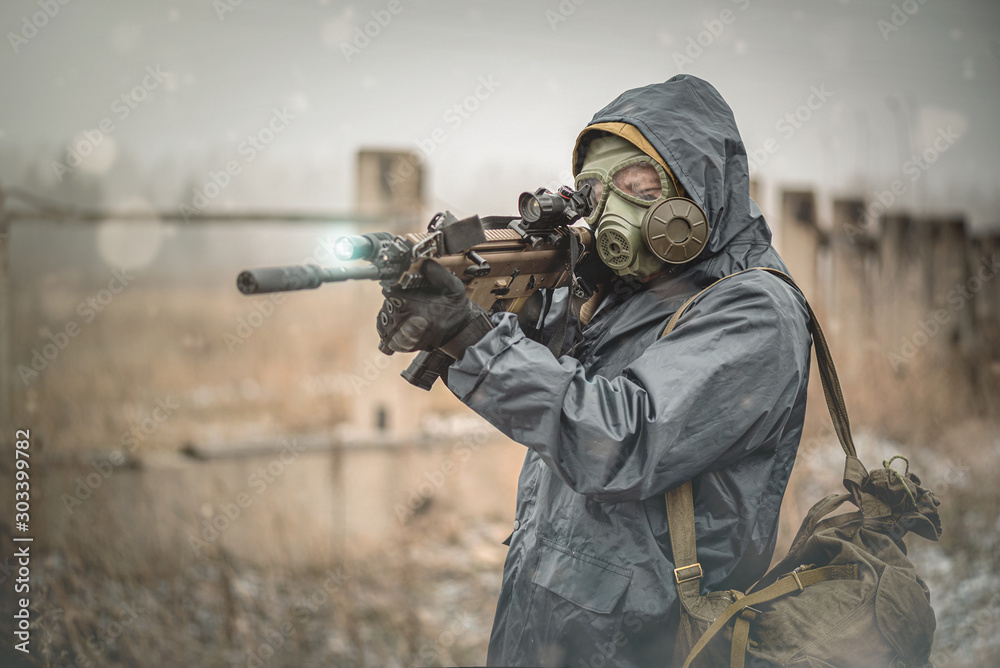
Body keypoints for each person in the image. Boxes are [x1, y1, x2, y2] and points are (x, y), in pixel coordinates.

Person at [376, 74, 812, 667]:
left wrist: (472, 339)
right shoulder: (623, 289)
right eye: (596, 191)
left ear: (698, 190)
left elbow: (622, 440)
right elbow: (544, 374)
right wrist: (459, 306)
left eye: (638, 186)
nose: (613, 210)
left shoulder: (754, 312)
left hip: (658, 643)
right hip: (550, 627)